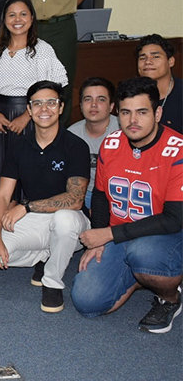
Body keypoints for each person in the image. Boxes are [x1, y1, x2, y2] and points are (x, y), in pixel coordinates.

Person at [71, 77, 183, 333]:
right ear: (117, 113)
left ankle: (170, 297)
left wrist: (107, 234)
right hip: (122, 237)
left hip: (165, 235)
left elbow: (174, 219)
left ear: (157, 113)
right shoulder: (111, 145)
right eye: (126, 112)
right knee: (88, 303)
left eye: (142, 112)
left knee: (143, 253)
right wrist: (100, 236)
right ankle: (139, 276)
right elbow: (99, 196)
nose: (133, 120)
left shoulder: (177, 150)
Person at [0, 80, 90, 313]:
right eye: (37, 104)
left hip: (72, 220)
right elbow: (2, 195)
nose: (44, 109)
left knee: (64, 220)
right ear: (29, 110)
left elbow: (75, 199)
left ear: (61, 108)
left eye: (51, 103)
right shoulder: (19, 146)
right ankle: (46, 253)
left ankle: (52, 281)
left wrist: (25, 207)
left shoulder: (75, 145)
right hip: (36, 220)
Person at [0, 0, 67, 198]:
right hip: (0, 116)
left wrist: (27, 116)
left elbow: (48, 90)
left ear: (32, 18)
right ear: (4, 20)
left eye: (23, 14)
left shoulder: (42, 50)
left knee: (27, 168)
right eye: (12, 15)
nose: (18, 19)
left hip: (31, 115)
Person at [68, 77, 119, 209]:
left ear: (111, 106)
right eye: (88, 99)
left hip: (116, 195)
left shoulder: (123, 131)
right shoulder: (72, 134)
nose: (93, 105)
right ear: (80, 106)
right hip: (83, 195)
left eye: (101, 100)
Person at [136, 34, 182, 134]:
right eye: (142, 58)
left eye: (155, 57)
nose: (148, 62)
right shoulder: (132, 94)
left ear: (171, 61)